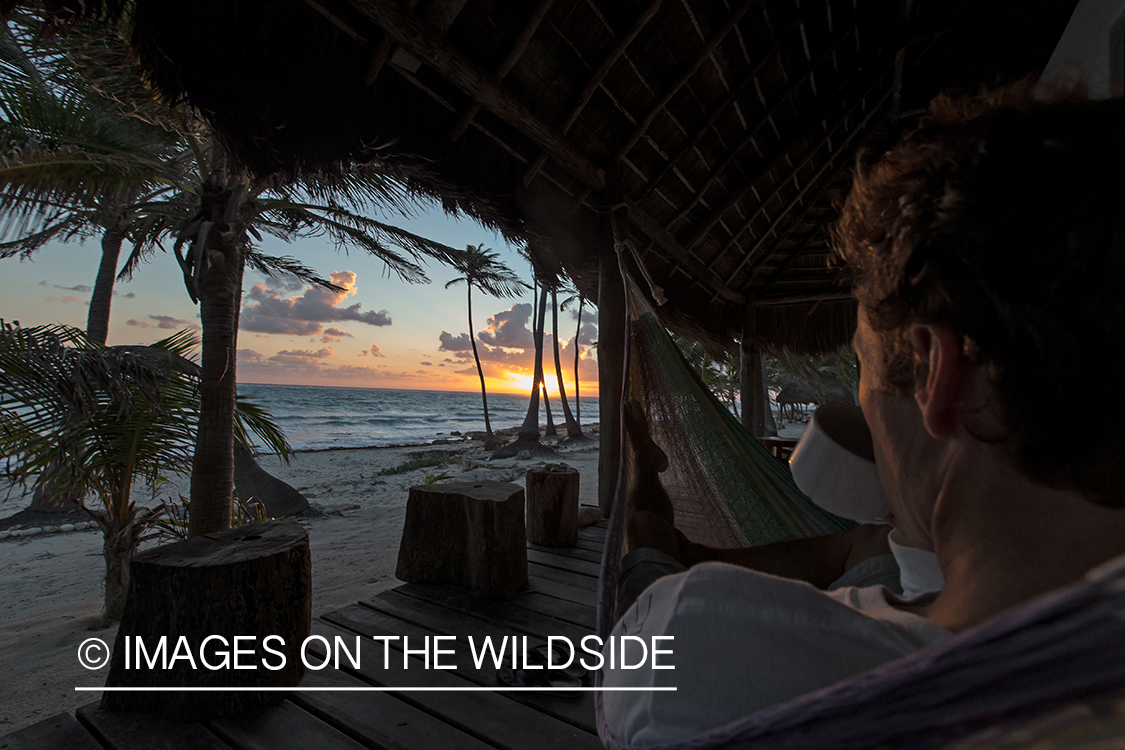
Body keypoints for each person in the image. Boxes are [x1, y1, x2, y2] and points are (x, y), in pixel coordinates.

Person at [602, 84, 1125, 745]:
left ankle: (655, 507)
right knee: (882, 539)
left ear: (937, 371)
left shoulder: (703, 642)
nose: (864, 400)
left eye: (863, 366)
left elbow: (637, 626)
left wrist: (648, 514)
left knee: (647, 553)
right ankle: (687, 545)